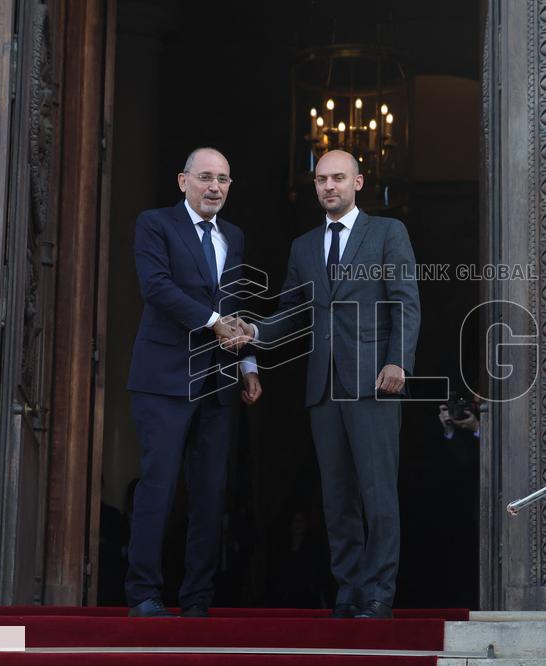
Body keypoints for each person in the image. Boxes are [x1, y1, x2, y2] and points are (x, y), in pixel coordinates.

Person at [245, 150, 420, 618]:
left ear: (358, 182)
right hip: (323, 389)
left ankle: (380, 592)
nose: (329, 187)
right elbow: (289, 312)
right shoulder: (303, 246)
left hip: (374, 385)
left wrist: (398, 362)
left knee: (378, 495)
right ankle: (348, 590)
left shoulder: (387, 233)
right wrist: (255, 332)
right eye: (321, 179)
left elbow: (406, 301)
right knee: (337, 498)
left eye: (338, 178)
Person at [124, 147, 261, 618]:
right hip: (163, 379)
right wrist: (212, 322)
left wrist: (249, 366)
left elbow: (236, 300)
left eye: (223, 179)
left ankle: (197, 599)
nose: (215, 187)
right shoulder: (155, 223)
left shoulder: (234, 236)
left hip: (219, 381)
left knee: (209, 494)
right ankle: (144, 593)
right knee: (158, 486)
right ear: (183, 181)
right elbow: (156, 287)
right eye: (205, 177)